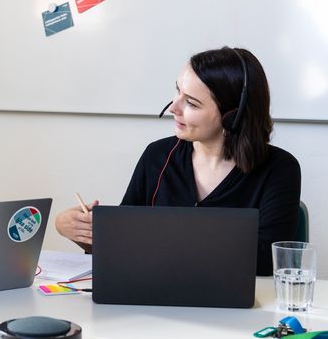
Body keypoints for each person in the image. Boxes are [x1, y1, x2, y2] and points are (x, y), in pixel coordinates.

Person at [55, 47, 301, 275]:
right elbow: (125, 243)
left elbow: (268, 261)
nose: (174, 107)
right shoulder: (157, 156)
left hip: (237, 311)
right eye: (177, 91)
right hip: (157, 299)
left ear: (232, 117)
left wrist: (157, 243)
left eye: (191, 103)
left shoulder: (279, 169)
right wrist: (83, 232)